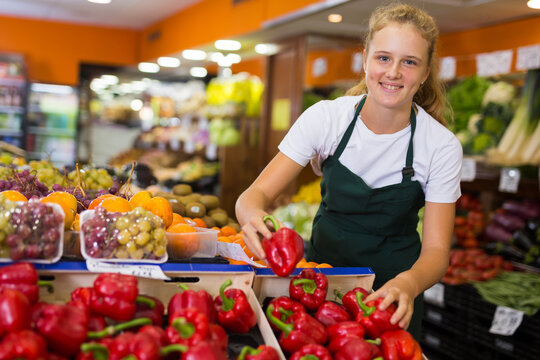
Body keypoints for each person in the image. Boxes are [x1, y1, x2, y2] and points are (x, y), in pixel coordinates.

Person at [235, 2, 462, 339]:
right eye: (383, 58)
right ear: (366, 57)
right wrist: (251, 213)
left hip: (390, 299)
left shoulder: (440, 146)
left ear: (426, 72)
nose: (394, 72)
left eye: (409, 62)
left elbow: (436, 252)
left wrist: (408, 283)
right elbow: (255, 194)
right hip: (317, 285)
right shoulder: (327, 119)